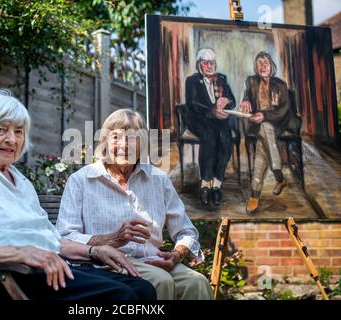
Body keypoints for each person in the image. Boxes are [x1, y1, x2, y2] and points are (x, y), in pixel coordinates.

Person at [0, 90, 157, 300]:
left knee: (142, 289)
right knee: (120, 297)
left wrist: (94, 250)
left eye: (18, 132)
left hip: (41, 271)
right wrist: (23, 253)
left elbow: (53, 242)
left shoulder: (19, 180)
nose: (12, 139)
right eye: (1, 130)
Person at [56, 109, 213, 300]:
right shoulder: (81, 180)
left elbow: (186, 231)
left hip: (152, 259)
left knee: (197, 283)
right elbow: (65, 236)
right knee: (161, 281)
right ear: (104, 141)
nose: (124, 145)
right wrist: (110, 239)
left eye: (133, 138)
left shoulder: (158, 179)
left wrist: (176, 255)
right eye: (116, 137)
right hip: (108, 262)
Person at [240, 52, 301, 214]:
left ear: (271, 66)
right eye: (259, 63)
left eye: (265, 63)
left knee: (265, 132)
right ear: (256, 67)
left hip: (278, 122)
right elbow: (247, 94)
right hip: (259, 126)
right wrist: (245, 100)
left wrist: (265, 116)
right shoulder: (251, 81)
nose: (263, 66)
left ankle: (255, 194)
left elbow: (284, 110)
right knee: (262, 144)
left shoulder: (280, 84)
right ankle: (278, 176)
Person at [184, 48, 236, 207]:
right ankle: (205, 184)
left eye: (211, 62)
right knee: (209, 137)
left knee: (226, 137)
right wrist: (211, 111)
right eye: (205, 62)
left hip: (217, 120)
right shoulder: (192, 80)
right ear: (199, 64)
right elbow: (192, 104)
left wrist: (226, 101)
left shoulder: (221, 79)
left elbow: (232, 101)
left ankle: (217, 185)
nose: (209, 66)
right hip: (199, 118)